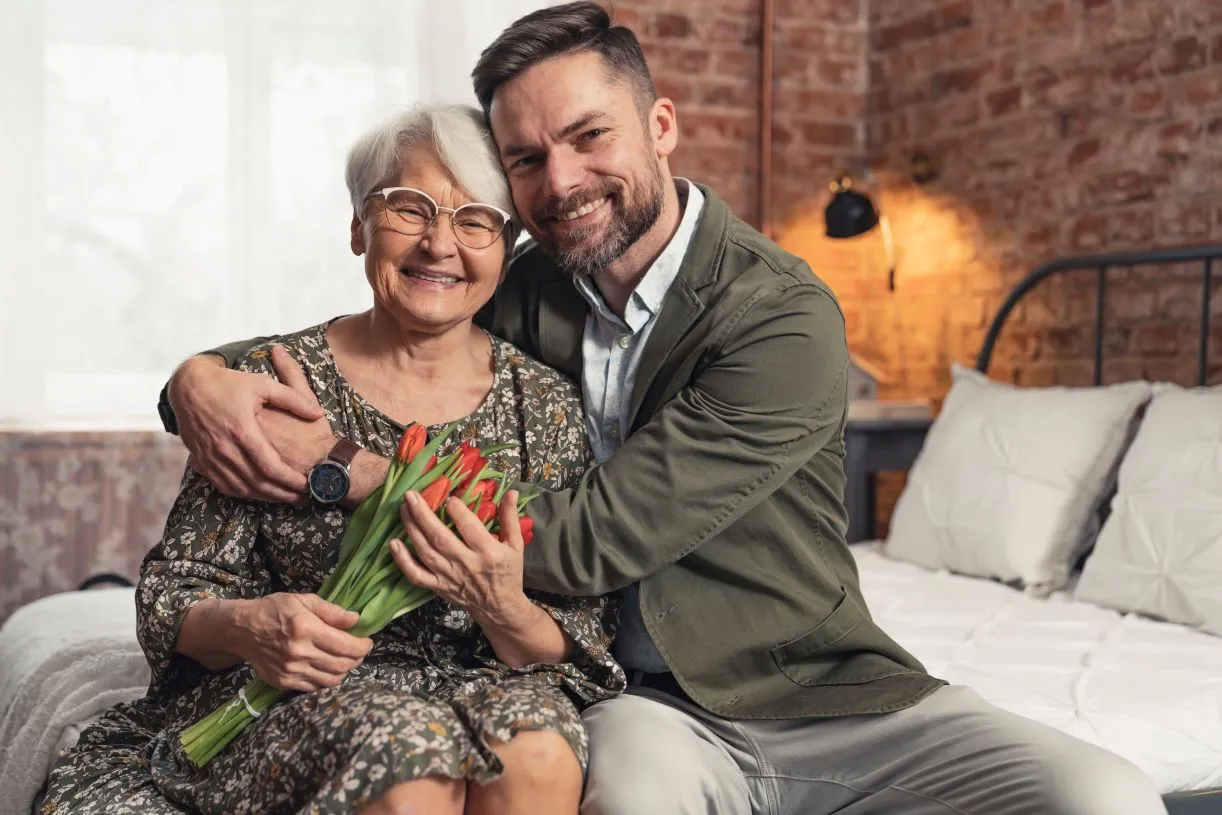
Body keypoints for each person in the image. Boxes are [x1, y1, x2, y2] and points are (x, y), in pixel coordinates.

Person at [159, 4, 1170, 814]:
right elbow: (371, 330)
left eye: (588, 135)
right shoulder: (526, 284)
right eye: (526, 159)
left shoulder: (780, 315)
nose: (562, 181)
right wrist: (194, 378)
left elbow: (593, 532)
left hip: (817, 689)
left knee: (1107, 796)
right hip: (643, 702)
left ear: (661, 126)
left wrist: (357, 470)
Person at [42, 103, 622, 815]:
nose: (440, 244)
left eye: (475, 220)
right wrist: (252, 627)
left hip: (488, 681)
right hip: (302, 693)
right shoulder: (272, 382)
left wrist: (502, 606)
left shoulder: (546, 405)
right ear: (357, 227)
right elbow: (172, 599)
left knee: (539, 754)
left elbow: (576, 639)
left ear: (505, 250)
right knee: (408, 764)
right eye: (409, 208)